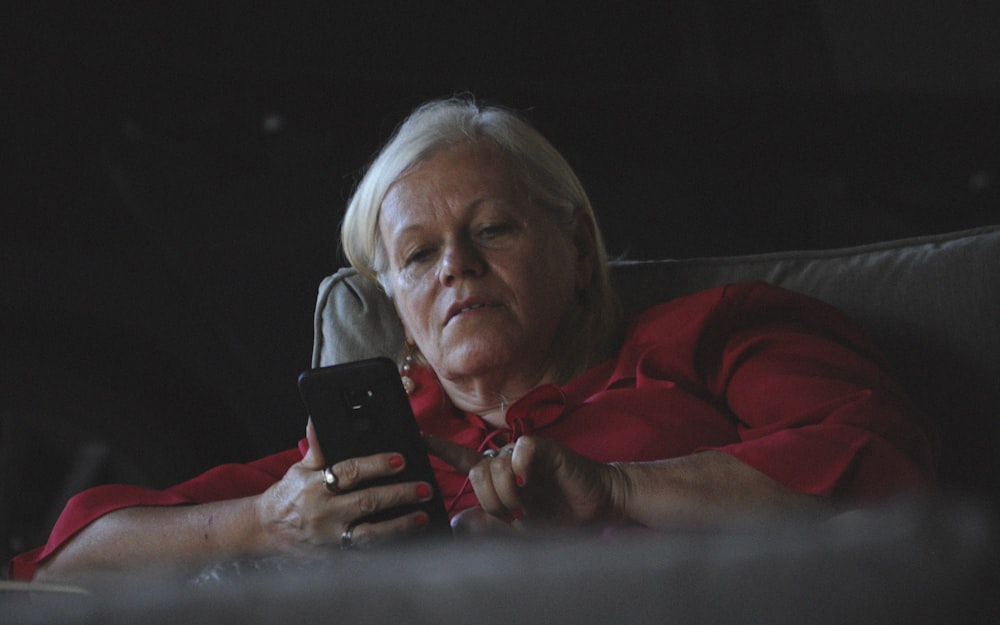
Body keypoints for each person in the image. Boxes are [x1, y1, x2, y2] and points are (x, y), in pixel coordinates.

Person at [10, 97, 936, 582]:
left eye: (492, 229)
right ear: (401, 315)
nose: (455, 267)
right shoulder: (363, 454)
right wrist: (266, 519)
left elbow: (878, 468)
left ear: (578, 251)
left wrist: (615, 489)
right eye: (418, 255)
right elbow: (69, 559)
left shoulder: (715, 333)